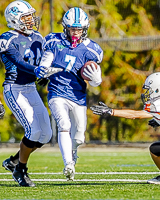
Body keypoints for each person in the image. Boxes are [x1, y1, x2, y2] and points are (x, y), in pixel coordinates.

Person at [0, 0, 62, 187]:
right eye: (25, 17)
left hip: (31, 88)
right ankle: (21, 169)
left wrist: (44, 74)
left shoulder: (38, 37)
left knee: (45, 135)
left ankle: (13, 161)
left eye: (30, 16)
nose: (30, 20)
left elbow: (42, 61)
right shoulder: (7, 38)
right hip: (14, 88)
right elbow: (19, 62)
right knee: (33, 130)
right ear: (14, 19)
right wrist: (37, 71)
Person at [38, 7, 103, 181]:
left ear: (85, 29)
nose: (76, 33)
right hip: (57, 92)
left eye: (79, 29)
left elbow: (96, 82)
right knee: (64, 124)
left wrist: (96, 78)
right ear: (65, 28)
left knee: (80, 136)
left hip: (78, 95)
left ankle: (73, 153)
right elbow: (44, 65)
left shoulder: (91, 49)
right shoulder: (53, 41)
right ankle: (68, 164)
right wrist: (45, 68)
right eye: (73, 29)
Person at [90, 72, 160, 185]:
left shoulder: (157, 104)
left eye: (150, 90)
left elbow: (134, 115)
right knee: (155, 149)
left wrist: (111, 111)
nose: (147, 94)